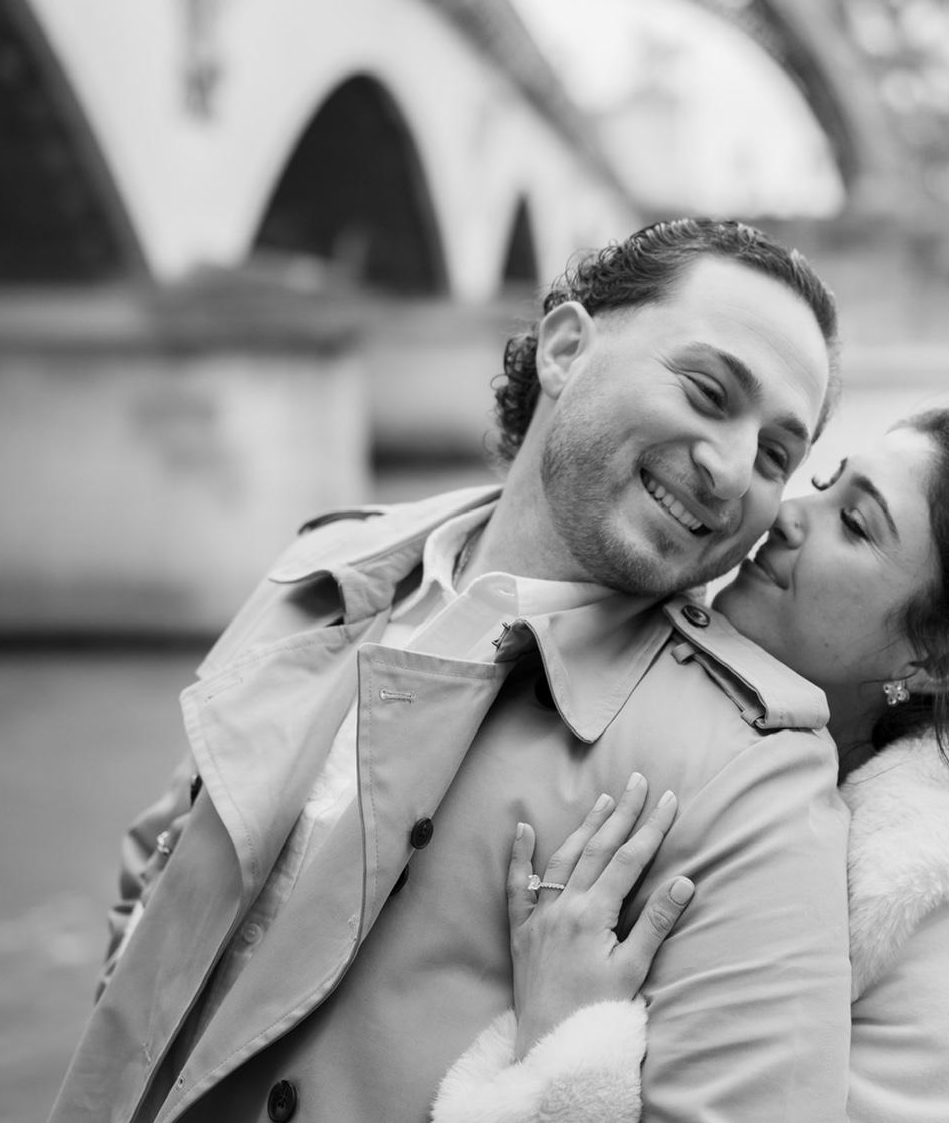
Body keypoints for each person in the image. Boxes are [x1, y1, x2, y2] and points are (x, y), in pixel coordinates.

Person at [50, 219, 857, 1123]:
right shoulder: (323, 568)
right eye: (708, 393)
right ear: (565, 349)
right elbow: (156, 869)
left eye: (777, 455)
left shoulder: (754, 775)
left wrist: (566, 1074)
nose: (733, 470)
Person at [431, 407, 949, 1123]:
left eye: (854, 524)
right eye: (823, 482)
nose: (786, 514)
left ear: (935, 662)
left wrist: (569, 1042)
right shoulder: (720, 755)